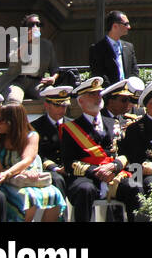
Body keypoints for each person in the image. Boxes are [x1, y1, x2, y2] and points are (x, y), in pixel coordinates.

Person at [59, 76, 141, 220]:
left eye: (99, 93)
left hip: (115, 174)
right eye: (92, 94)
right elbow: (69, 162)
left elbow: (126, 152)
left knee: (135, 184)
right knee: (85, 189)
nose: (98, 97)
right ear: (81, 101)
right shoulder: (71, 128)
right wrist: (96, 172)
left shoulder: (113, 123)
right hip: (87, 177)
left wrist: (114, 166)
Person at [0, 102, 67, 222]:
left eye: (2, 119)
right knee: (28, 196)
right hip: (4, 182)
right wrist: (13, 174)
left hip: (28, 179)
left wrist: (22, 173)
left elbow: (27, 159)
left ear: (13, 121)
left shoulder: (32, 136)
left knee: (55, 194)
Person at [0, 14, 60, 100]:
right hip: (17, 81)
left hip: (37, 82)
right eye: (31, 24)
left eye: (38, 24)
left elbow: (55, 68)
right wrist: (27, 41)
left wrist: (53, 78)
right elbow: (13, 60)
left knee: (53, 96)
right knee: (14, 99)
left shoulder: (47, 45)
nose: (35, 27)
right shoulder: (15, 41)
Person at [30, 84, 73, 202]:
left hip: (71, 168)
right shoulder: (35, 127)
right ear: (47, 105)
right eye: (57, 105)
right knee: (56, 179)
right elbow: (36, 154)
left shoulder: (74, 126)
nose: (62, 109)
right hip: (49, 170)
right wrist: (54, 167)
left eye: (64, 105)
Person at [88, 10, 137, 86]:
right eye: (126, 24)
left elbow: (134, 71)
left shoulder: (129, 47)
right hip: (109, 94)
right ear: (115, 26)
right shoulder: (97, 49)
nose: (129, 27)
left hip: (128, 93)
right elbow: (98, 74)